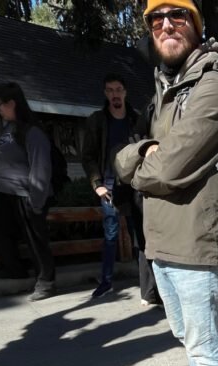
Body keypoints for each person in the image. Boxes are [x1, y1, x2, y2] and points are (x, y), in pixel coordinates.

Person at [114, 0, 218, 366]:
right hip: (162, 239)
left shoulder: (214, 89)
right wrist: (143, 153)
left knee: (206, 343)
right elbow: (148, 157)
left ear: (196, 25)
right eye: (156, 17)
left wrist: (135, 159)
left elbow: (165, 168)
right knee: (186, 337)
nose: (166, 24)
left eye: (178, 15)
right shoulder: (166, 90)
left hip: (194, 241)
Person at [82, 73, 157, 303]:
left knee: (142, 236)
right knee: (111, 235)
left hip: (134, 183)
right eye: (110, 90)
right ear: (106, 93)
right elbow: (88, 156)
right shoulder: (97, 121)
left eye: (118, 89)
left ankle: (149, 290)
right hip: (109, 183)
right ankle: (106, 282)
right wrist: (97, 185)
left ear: (125, 92)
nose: (115, 94)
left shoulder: (136, 119)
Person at [0, 82, 57, 301]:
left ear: (11, 103)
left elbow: (40, 166)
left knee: (35, 239)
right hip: (6, 192)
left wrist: (36, 201)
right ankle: (14, 269)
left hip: (28, 193)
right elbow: (9, 158)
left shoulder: (31, 131)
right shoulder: (7, 129)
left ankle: (46, 282)